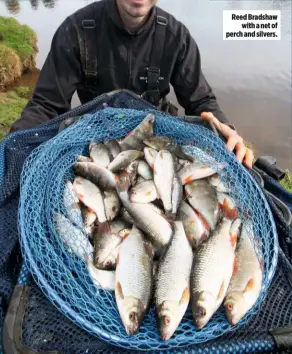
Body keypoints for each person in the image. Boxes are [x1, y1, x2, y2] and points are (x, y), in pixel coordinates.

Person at [9, 0, 254, 168]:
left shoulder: (177, 37)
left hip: (158, 147)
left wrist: (226, 129)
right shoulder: (75, 30)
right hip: (96, 146)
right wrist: (14, 142)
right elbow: (45, 105)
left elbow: (201, 101)